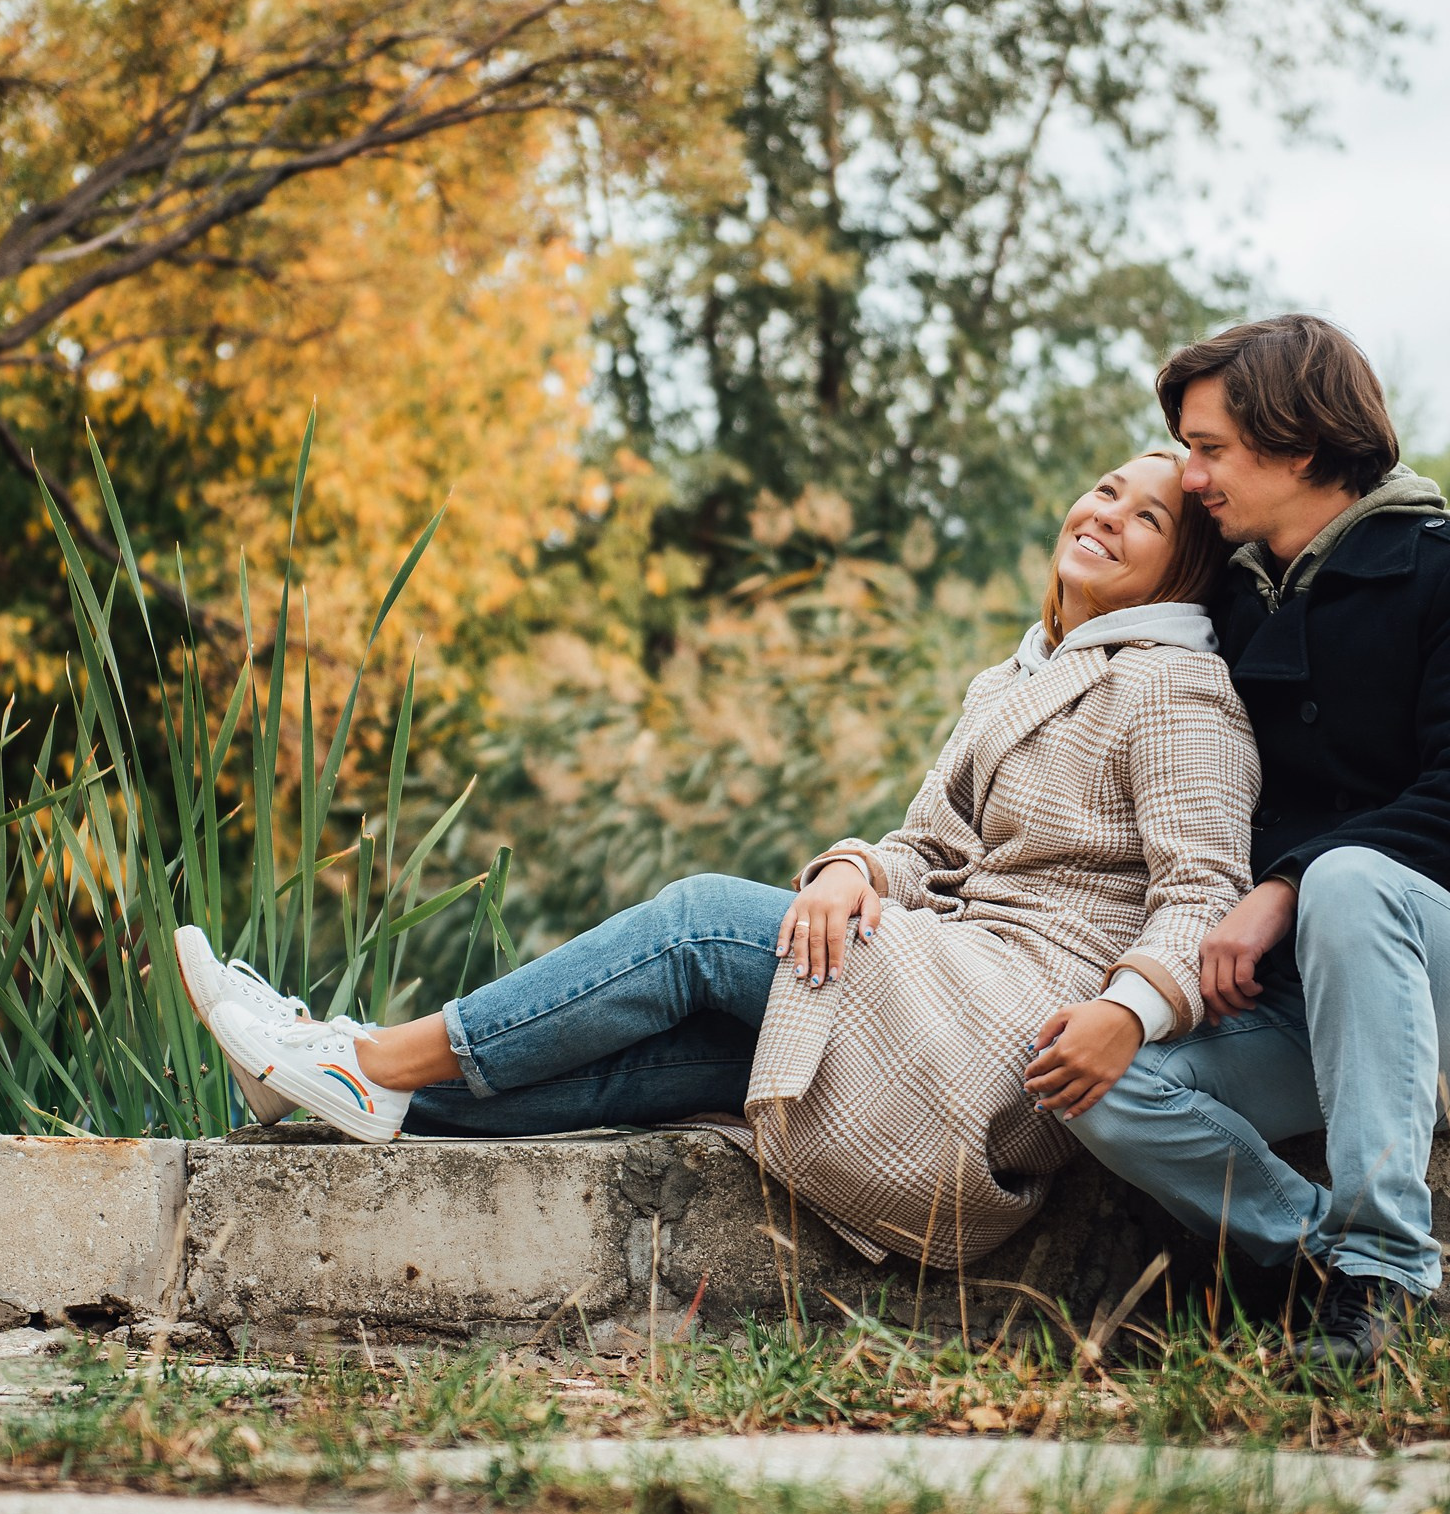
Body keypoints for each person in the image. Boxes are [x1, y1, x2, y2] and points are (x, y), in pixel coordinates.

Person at [170, 448, 1260, 1268]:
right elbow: (920, 846)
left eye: (1148, 516)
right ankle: (339, 1089)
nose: (1109, 512)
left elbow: (1200, 888)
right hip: (937, 989)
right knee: (669, 1056)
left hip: (1013, 1027)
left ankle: (361, 1059)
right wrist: (846, 871)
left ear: (1184, 573)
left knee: (699, 921)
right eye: (1107, 489)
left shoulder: (1176, 690)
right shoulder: (1012, 678)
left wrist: (1130, 1009)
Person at [1051, 315, 1450, 1370]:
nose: (1190, 478)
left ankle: (1386, 1271)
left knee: (1351, 878)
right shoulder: (1226, 601)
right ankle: (1316, 1254)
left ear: (1299, 445)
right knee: (1098, 1082)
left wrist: (1282, 884)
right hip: (1287, 1011)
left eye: (1210, 450)